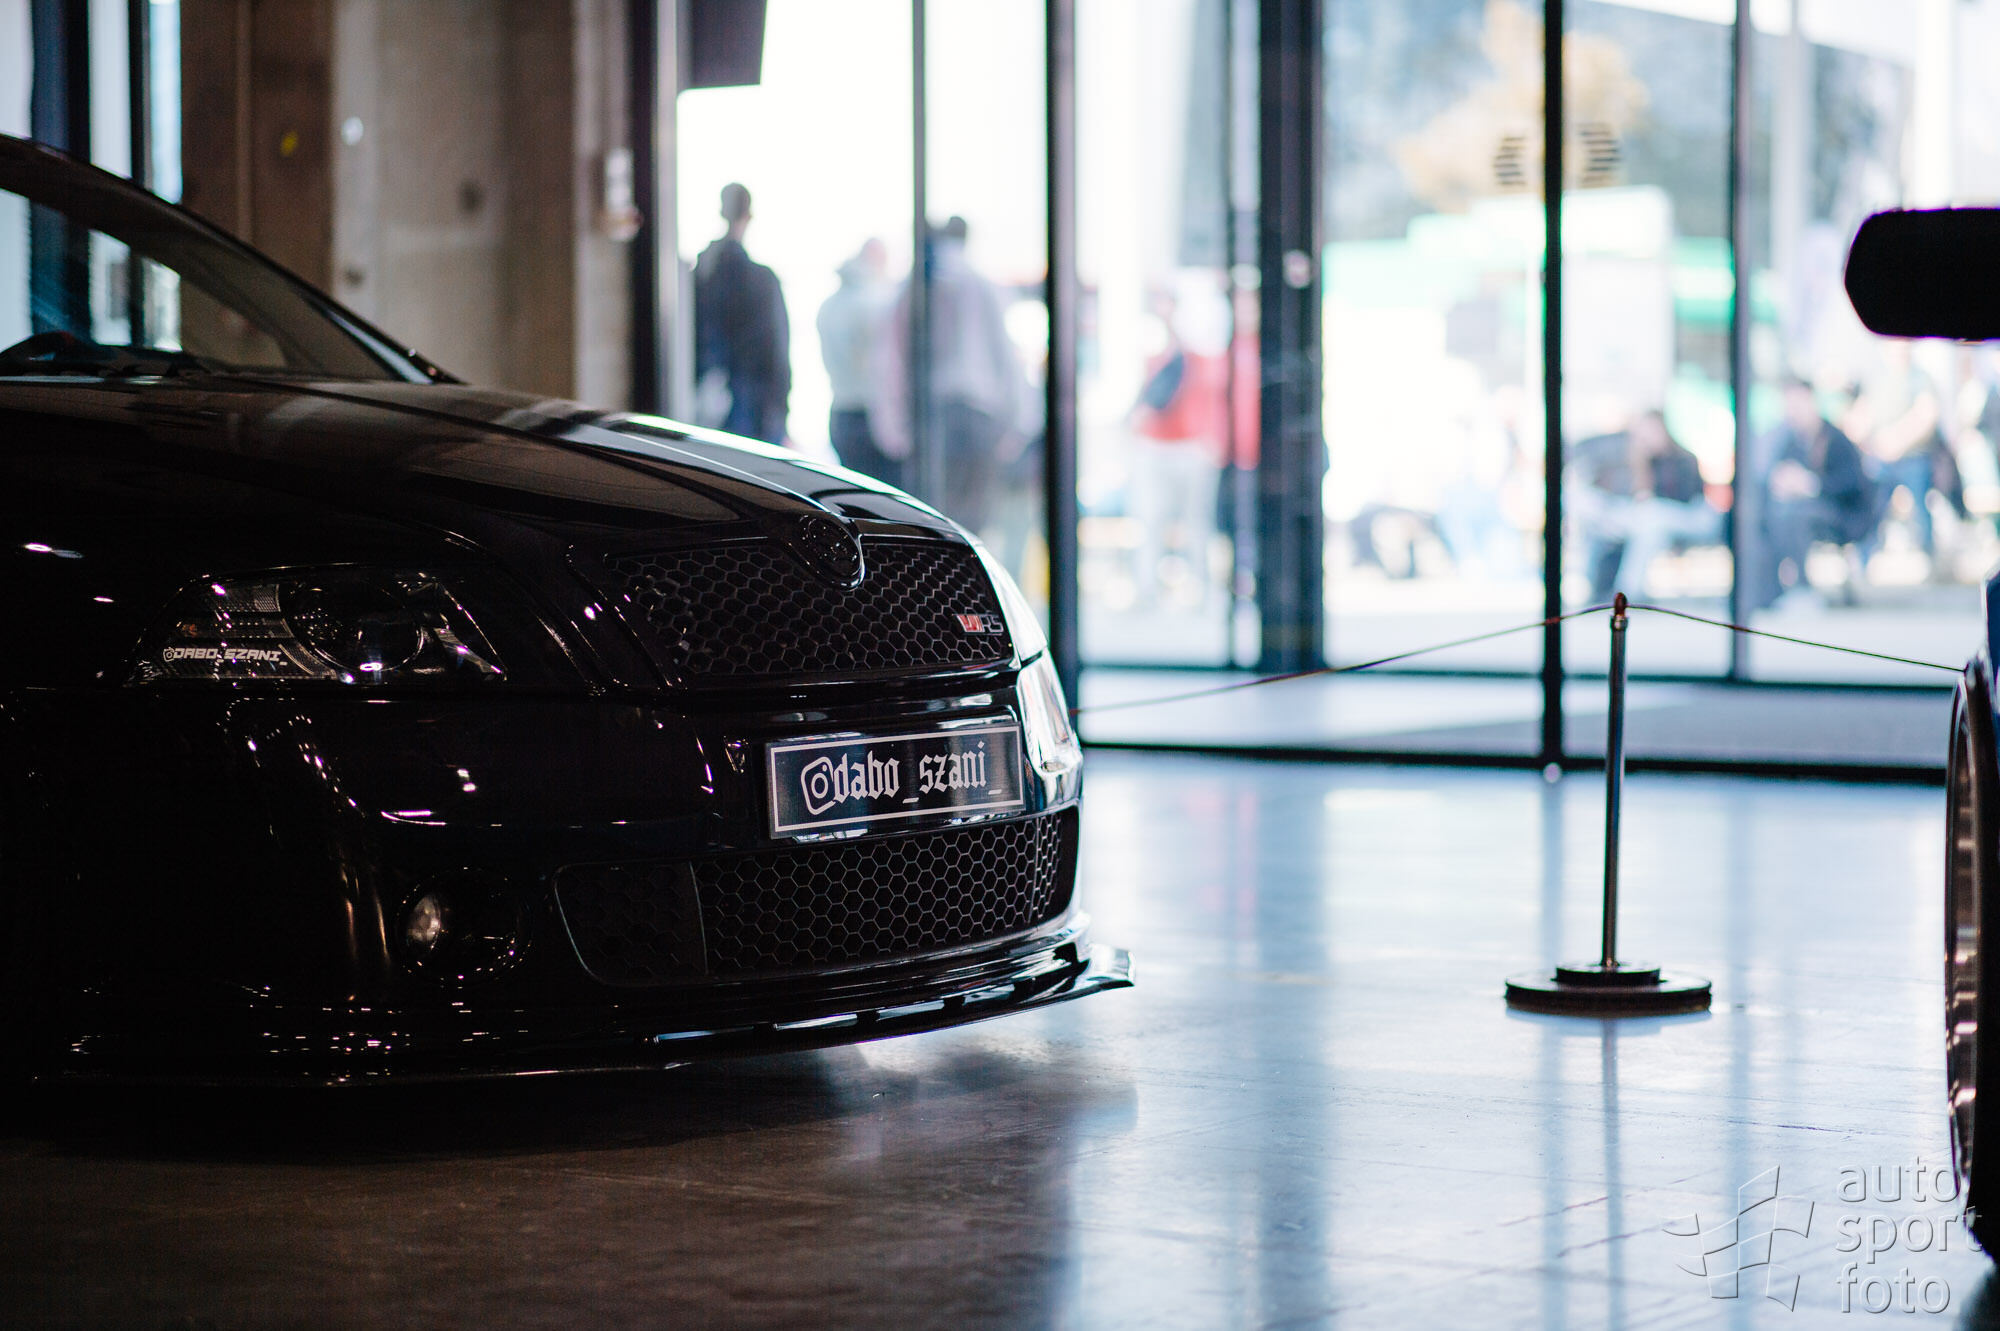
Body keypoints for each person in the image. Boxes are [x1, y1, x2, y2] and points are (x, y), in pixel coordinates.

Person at [870, 217, 1028, 533]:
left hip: (932, 416)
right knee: (973, 526)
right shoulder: (982, 286)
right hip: (979, 417)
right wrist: (1017, 422)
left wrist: (892, 424)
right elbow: (1006, 357)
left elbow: (891, 362)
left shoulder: (915, 286)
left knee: (932, 521)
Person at [1567, 409, 1719, 602]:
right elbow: (1630, 497)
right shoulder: (1637, 461)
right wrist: (1641, 467)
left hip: (1687, 516)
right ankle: (1622, 590)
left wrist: (1650, 500)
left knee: (1650, 517)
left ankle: (1628, 591)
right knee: (1640, 528)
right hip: (1646, 521)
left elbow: (1688, 498)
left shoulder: (1683, 459)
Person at [1752, 378, 1876, 609]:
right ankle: (1769, 591)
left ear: (1811, 402)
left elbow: (1853, 484)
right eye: (1789, 406)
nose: (1793, 412)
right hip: (1801, 509)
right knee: (1765, 514)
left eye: (1798, 404)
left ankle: (1803, 588)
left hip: (1843, 515)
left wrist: (1812, 484)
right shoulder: (1790, 442)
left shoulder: (1835, 439)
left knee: (1794, 515)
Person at [693, 183, 790, 445]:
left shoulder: (699, 277)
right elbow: (776, 356)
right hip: (752, 413)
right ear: (748, 216)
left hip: (701, 409)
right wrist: (780, 418)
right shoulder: (761, 280)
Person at [816, 238, 898, 487]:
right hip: (869, 416)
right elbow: (880, 368)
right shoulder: (874, 303)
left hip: (840, 414)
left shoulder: (829, 305)